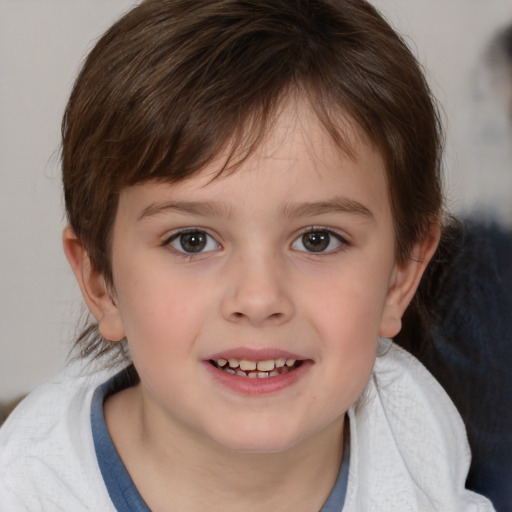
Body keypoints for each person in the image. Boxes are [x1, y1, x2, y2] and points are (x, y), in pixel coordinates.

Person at [0, 0, 496, 510]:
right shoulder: (28, 488)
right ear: (101, 280)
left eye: (318, 239)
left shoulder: (414, 435)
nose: (259, 299)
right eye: (192, 240)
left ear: (400, 276)